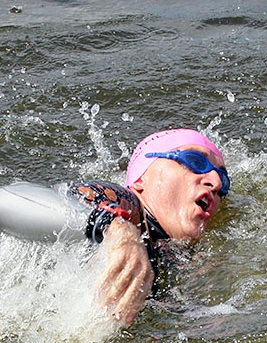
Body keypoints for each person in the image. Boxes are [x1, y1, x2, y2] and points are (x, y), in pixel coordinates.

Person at [66, 129, 230, 324]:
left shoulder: (180, 257)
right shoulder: (131, 210)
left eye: (224, 179)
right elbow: (69, 199)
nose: (216, 182)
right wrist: (121, 232)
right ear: (140, 180)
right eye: (194, 161)